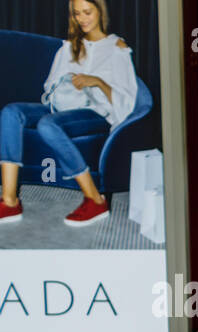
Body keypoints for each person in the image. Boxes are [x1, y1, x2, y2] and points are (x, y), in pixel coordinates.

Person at [0, 0, 137, 227]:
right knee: (11, 112)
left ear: (99, 11)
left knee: (47, 125)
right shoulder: (68, 47)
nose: (82, 19)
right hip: (61, 108)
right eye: (77, 14)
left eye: (87, 12)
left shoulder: (116, 47)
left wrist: (97, 82)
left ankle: (94, 198)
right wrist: (65, 82)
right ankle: (10, 201)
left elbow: (129, 98)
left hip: (94, 113)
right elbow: (49, 85)